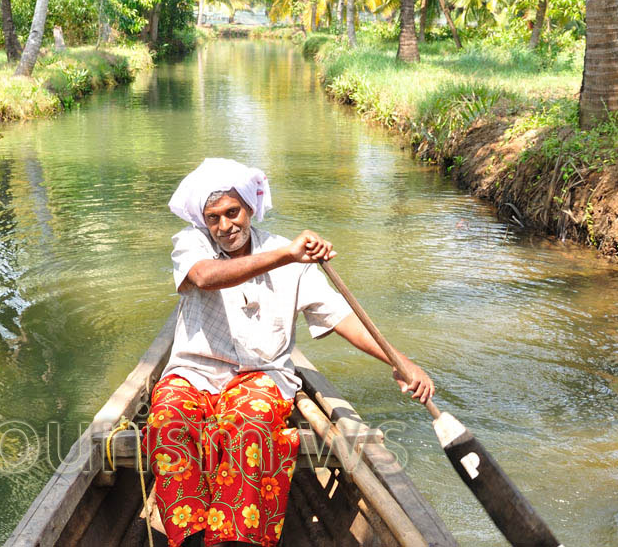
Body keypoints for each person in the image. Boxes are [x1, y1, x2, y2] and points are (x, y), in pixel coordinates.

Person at [143, 158, 434, 547]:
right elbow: (204, 277)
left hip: (260, 375)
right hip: (193, 371)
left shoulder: (286, 254)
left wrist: (399, 362)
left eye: (233, 213)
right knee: (166, 422)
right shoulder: (193, 243)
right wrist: (288, 256)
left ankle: (234, 541)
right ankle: (193, 540)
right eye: (214, 217)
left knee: (249, 426)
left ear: (249, 209)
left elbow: (341, 316)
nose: (225, 226)